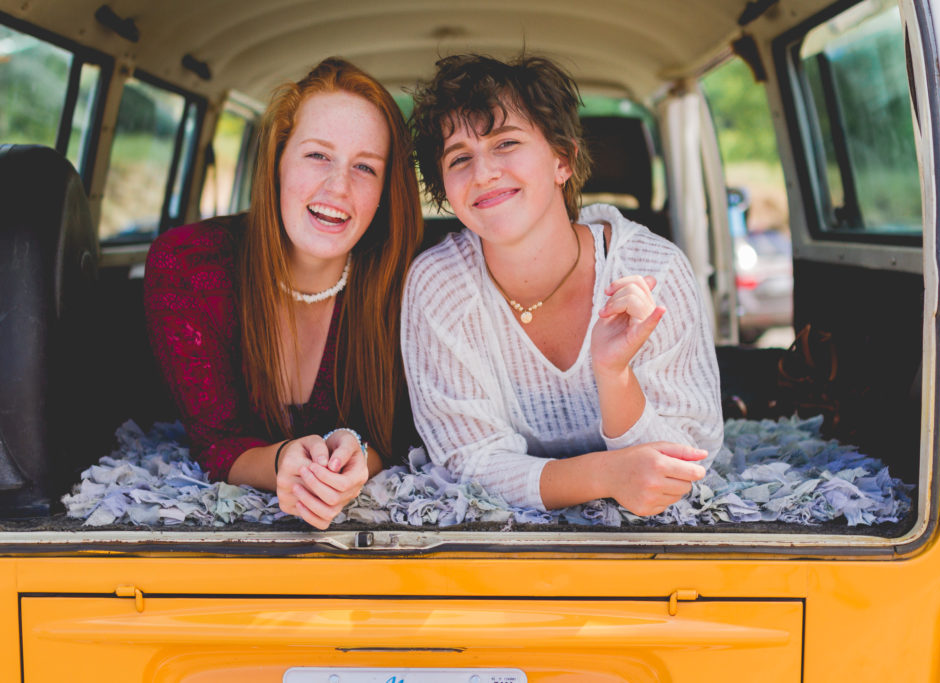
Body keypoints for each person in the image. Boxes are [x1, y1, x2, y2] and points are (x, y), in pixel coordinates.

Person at [404, 54, 723, 516]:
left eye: (506, 143)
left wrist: (615, 376)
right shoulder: (439, 284)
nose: (483, 173)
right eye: (459, 158)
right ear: (446, 192)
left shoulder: (655, 267)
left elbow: (687, 463)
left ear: (563, 160)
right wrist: (605, 476)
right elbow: (469, 462)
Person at [145, 57, 423, 529]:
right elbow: (215, 443)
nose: (338, 187)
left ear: (385, 192)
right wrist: (281, 464)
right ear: (277, 161)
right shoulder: (189, 266)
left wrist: (357, 461)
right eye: (318, 155)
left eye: (365, 167)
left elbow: (397, 438)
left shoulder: (408, 282)